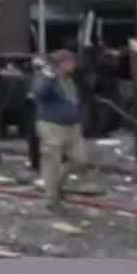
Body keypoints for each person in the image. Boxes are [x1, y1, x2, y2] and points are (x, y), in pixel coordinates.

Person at [31, 48, 88, 212]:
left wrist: (79, 118)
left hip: (72, 126)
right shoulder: (47, 78)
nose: (74, 65)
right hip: (51, 125)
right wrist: (49, 79)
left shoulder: (69, 81)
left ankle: (57, 186)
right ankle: (52, 198)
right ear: (61, 63)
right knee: (52, 161)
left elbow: (74, 100)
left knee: (80, 160)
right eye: (70, 62)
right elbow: (38, 95)